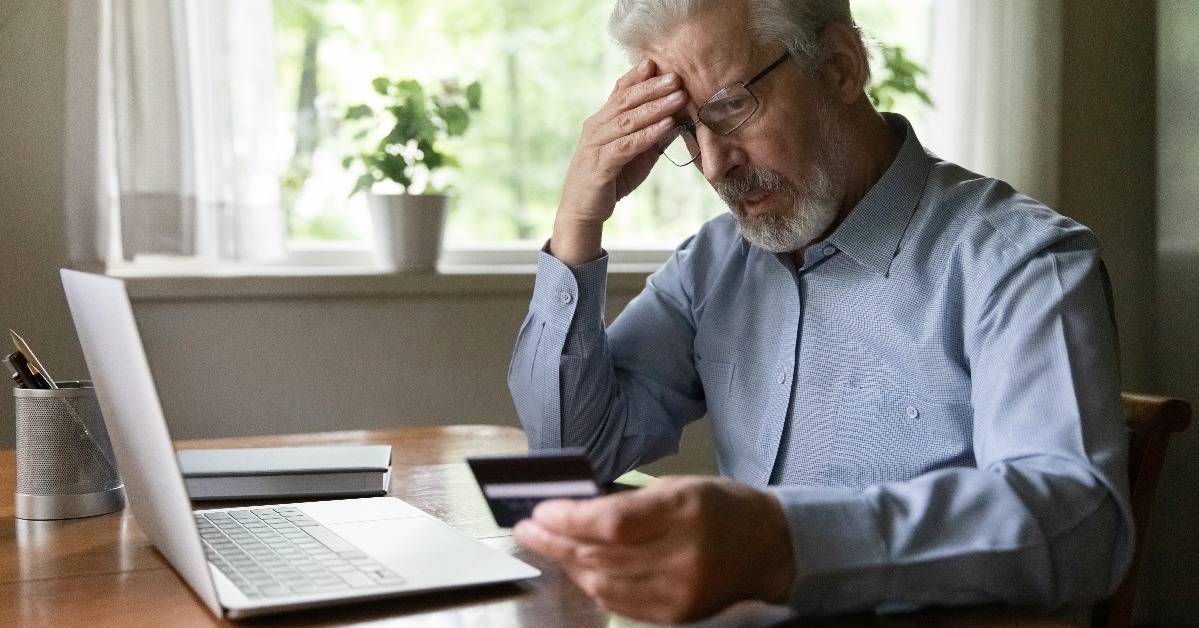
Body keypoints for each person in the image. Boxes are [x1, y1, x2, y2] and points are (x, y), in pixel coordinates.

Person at [507, 0, 1133, 623]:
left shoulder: (1021, 260)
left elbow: (1079, 525)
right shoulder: (715, 263)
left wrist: (783, 543)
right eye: (686, 132)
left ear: (840, 67)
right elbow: (574, 454)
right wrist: (578, 221)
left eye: (729, 109)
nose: (715, 164)